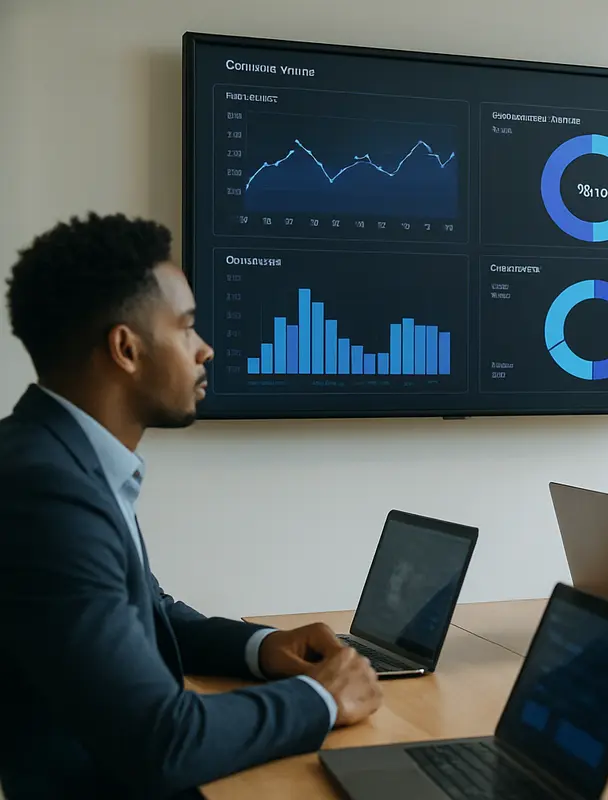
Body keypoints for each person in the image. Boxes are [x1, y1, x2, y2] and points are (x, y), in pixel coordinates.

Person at [0, 214, 384, 799]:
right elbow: (161, 741)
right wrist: (322, 698)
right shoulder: (47, 493)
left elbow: (146, 613)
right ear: (126, 348)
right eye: (185, 328)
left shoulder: (55, 457)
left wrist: (263, 648)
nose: (205, 348)